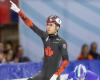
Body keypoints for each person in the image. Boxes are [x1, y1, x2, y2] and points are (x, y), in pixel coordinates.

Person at [10, 1, 69, 80]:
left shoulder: (62, 42)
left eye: (51, 25)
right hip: (42, 74)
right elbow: (30, 24)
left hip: (54, 77)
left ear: (57, 27)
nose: (48, 27)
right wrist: (19, 11)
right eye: (47, 24)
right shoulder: (45, 36)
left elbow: (66, 61)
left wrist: (56, 75)